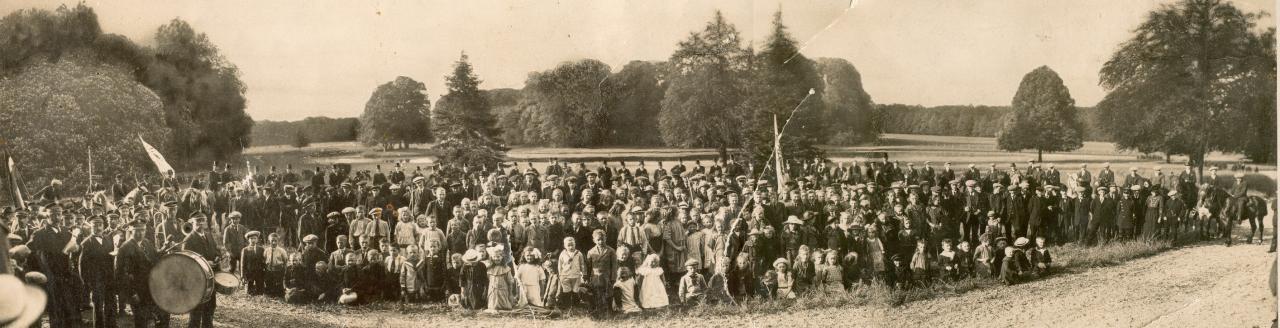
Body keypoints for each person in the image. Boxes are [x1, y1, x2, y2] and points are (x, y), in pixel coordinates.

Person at [116, 218, 169, 328]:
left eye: (143, 230)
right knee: (141, 321)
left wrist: (164, 248)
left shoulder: (146, 242)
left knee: (162, 315)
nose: (141, 233)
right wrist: (132, 293)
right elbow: (122, 274)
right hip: (138, 291)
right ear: (131, 231)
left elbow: (154, 257)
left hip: (151, 287)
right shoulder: (125, 248)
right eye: (137, 230)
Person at [182, 214, 221, 328]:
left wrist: (217, 257)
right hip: (196, 280)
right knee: (196, 311)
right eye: (197, 221)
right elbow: (185, 261)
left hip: (210, 278)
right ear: (192, 223)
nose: (200, 224)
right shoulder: (188, 239)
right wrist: (205, 263)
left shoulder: (209, 235)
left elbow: (215, 250)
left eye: (203, 221)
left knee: (210, 306)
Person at [78, 216, 117, 328]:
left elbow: (111, 257)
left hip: (109, 278)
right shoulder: (86, 243)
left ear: (103, 226)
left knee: (111, 303)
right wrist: (87, 283)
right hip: (96, 280)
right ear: (91, 227)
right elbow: (82, 265)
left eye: (100, 225)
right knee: (98, 305)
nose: (98, 227)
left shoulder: (108, 239)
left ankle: (111, 325)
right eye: (95, 225)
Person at [241, 230, 266, 295]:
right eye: (251, 238)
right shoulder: (245, 250)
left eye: (255, 238)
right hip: (250, 273)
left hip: (259, 273)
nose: (253, 240)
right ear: (248, 240)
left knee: (260, 292)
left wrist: (264, 271)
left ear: (257, 239)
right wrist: (243, 276)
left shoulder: (261, 249)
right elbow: (242, 264)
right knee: (250, 293)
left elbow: (264, 261)